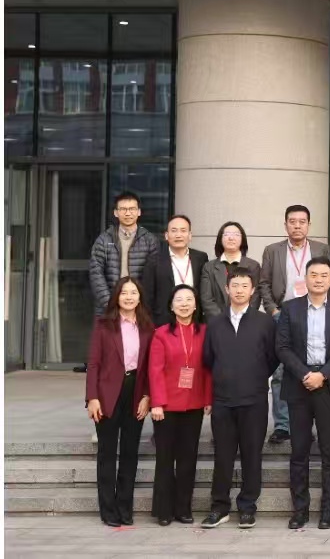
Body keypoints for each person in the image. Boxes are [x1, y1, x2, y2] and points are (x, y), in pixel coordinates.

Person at [277, 257, 330, 530]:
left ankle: (328, 510)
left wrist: (323, 375)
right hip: (299, 383)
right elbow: (282, 347)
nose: (318, 279)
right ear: (305, 278)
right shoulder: (290, 308)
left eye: (324, 275)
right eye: (314, 274)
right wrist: (305, 374)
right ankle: (300, 509)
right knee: (299, 450)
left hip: (328, 385)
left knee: (329, 449)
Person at [201, 266, 280, 529]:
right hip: (223, 400)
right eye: (234, 286)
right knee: (222, 456)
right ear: (227, 289)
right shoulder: (215, 323)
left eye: (245, 286)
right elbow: (208, 358)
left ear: (252, 290)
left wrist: (254, 377)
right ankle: (219, 507)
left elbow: (272, 358)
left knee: (251, 455)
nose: (239, 290)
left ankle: (247, 507)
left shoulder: (264, 322)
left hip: (254, 399)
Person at [86, 276, 154, 527]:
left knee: (129, 453)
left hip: (136, 393)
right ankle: (108, 510)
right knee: (107, 453)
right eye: (124, 292)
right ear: (116, 296)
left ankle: (125, 507)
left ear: (139, 297)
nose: (128, 297)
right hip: (107, 394)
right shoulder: (104, 325)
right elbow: (93, 363)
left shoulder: (147, 327)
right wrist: (92, 397)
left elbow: (150, 367)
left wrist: (147, 396)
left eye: (133, 292)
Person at [259, 205, 330, 445]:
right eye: (292, 221)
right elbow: (264, 284)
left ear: (309, 224)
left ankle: (304, 424)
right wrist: (273, 310)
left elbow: (327, 281)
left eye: (302, 221)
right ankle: (282, 425)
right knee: (281, 372)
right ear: (285, 224)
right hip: (283, 315)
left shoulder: (321, 249)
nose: (297, 225)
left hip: (313, 313)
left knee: (309, 368)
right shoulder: (273, 250)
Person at [148, 284, 212, 526]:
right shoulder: (161, 333)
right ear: (171, 306)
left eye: (188, 299)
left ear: (195, 305)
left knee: (188, 459)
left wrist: (208, 398)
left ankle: (183, 508)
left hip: (194, 404)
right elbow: (155, 371)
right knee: (165, 459)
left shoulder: (205, 332)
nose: (184, 304)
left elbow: (209, 369)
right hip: (166, 406)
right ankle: (164, 510)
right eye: (179, 300)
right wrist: (157, 402)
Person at [88, 191, 160, 318]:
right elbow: (96, 274)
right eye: (123, 209)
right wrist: (111, 305)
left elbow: (153, 278)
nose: (128, 213)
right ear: (116, 212)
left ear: (139, 212)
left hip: (139, 310)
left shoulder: (150, 241)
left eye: (132, 209)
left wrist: (139, 305)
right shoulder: (104, 240)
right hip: (108, 310)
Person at [141, 214, 209, 325]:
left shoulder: (201, 258)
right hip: (164, 322)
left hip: (194, 321)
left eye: (183, 231)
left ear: (190, 235)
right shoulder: (154, 260)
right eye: (174, 231)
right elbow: (147, 296)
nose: (178, 235)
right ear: (166, 235)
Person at [199, 221, 262, 318]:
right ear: (220, 239)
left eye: (236, 234)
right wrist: (223, 320)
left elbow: (255, 297)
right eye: (226, 234)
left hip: (246, 321)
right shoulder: (209, 267)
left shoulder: (253, 266)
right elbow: (206, 299)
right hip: (217, 322)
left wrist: (242, 318)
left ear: (242, 239)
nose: (231, 238)